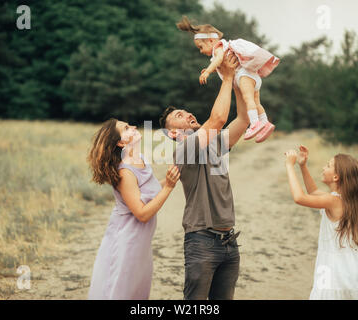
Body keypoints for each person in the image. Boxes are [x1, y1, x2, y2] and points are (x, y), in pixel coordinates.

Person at [159, 52, 248, 300]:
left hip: (229, 241)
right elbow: (218, 119)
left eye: (187, 112)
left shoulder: (214, 144)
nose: (187, 114)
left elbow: (242, 119)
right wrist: (227, 77)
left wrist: (242, 78)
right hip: (201, 242)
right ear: (173, 134)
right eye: (179, 116)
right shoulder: (184, 150)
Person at [87, 119, 180, 299]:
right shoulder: (125, 172)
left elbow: (151, 191)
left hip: (140, 242)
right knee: (120, 291)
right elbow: (142, 214)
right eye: (127, 128)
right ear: (121, 142)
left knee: (137, 291)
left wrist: (173, 178)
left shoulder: (141, 159)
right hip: (125, 240)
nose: (134, 127)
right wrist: (168, 187)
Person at [284, 146, 358, 300]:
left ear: (336, 177)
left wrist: (289, 165)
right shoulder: (342, 199)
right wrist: (302, 166)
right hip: (350, 266)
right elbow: (313, 192)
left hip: (331, 266)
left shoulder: (333, 201)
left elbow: (299, 198)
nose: (323, 167)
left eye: (328, 165)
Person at [176, 16, 280, 143]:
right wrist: (212, 69)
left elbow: (220, 60)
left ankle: (255, 124)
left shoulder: (218, 48)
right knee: (256, 103)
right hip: (252, 77)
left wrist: (208, 71)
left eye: (201, 47)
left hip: (244, 76)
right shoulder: (223, 48)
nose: (201, 51)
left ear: (210, 41)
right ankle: (265, 123)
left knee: (248, 99)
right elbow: (220, 66)